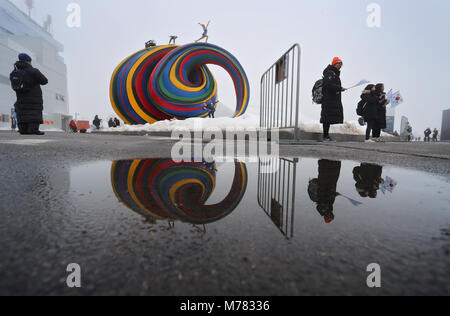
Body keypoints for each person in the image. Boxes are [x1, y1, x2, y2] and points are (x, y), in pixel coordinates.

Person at [10, 53, 48, 135]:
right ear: (28, 62)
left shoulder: (14, 72)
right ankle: (33, 129)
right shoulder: (33, 71)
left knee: (22, 113)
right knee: (33, 112)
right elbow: (45, 81)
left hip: (21, 100)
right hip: (34, 100)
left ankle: (22, 129)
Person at [307, 160, 342, 224]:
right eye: (332, 216)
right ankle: (332, 161)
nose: (332, 215)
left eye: (331, 216)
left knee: (326, 172)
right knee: (328, 172)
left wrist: (333, 194)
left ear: (327, 217)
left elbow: (323, 196)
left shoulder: (322, 209)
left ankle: (329, 161)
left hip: (325, 185)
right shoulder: (328, 208)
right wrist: (333, 194)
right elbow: (327, 197)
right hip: (328, 184)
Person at [321, 57, 347, 142]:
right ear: (335, 64)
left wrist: (339, 89)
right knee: (326, 118)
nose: (340, 66)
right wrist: (339, 88)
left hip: (332, 100)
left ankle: (326, 136)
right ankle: (325, 136)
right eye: (339, 64)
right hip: (328, 100)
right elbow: (328, 85)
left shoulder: (334, 74)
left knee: (328, 118)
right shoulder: (330, 73)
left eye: (341, 64)